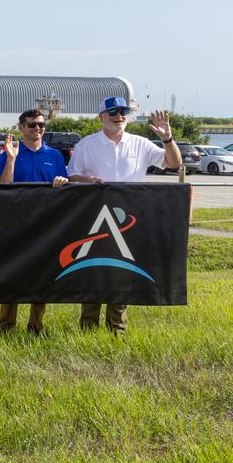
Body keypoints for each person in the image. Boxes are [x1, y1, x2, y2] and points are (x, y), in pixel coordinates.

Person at [66, 98, 181, 332]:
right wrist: (88, 180)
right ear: (101, 117)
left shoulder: (140, 143)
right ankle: (88, 327)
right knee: (92, 271)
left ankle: (116, 329)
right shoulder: (86, 145)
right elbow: (71, 176)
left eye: (123, 112)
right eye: (113, 112)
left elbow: (173, 163)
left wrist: (167, 138)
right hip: (95, 219)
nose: (119, 116)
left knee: (122, 272)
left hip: (131, 219)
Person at [0, 110, 69, 334]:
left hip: (46, 225)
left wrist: (62, 181)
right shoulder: (10, 152)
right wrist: (11, 159)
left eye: (41, 125)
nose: (37, 129)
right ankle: (6, 326)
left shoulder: (54, 155)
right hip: (16, 224)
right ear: (21, 128)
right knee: (12, 274)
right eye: (32, 125)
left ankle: (35, 326)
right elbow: (3, 184)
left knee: (41, 276)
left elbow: (64, 185)